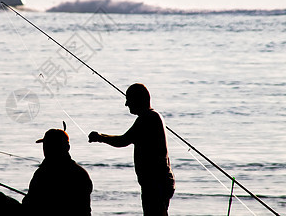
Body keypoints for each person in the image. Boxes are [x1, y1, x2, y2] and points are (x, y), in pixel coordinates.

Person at [89, 83, 175, 216]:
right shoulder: (152, 117)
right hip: (158, 183)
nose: (126, 104)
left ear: (138, 100)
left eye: (128, 99)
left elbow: (123, 141)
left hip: (156, 184)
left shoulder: (147, 119)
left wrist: (100, 137)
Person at [22, 129, 93, 216]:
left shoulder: (43, 173)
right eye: (46, 145)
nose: (46, 149)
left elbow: (30, 204)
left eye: (51, 145)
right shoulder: (80, 173)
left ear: (66, 147)